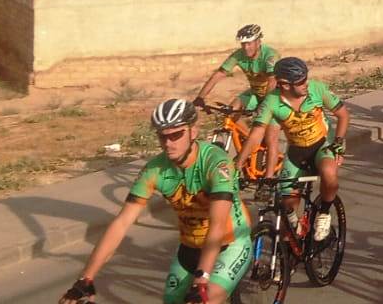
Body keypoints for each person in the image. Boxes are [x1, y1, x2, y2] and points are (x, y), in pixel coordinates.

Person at [60, 99, 251, 304]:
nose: (168, 143)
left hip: (229, 243)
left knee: (205, 299)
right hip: (189, 247)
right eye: (162, 136)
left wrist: (202, 279)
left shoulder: (216, 162)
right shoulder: (154, 170)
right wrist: (86, 279)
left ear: (193, 132)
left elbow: (217, 225)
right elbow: (122, 223)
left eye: (176, 135)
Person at [238, 58, 350, 241]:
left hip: (322, 144)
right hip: (296, 152)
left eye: (306, 78)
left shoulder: (317, 89)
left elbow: (343, 114)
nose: (306, 83)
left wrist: (339, 143)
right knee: (287, 210)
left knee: (329, 173)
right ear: (284, 84)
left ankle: (324, 213)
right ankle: (291, 244)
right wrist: (238, 164)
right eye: (301, 81)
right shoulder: (272, 101)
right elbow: (257, 135)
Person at [195, 24, 279, 111]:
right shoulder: (239, 54)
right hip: (255, 93)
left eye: (249, 43)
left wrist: (265, 104)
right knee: (231, 111)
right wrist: (200, 97)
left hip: (274, 95)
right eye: (243, 44)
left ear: (258, 42)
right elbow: (218, 75)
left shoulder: (270, 55)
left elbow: (272, 81)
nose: (246, 48)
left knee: (264, 117)